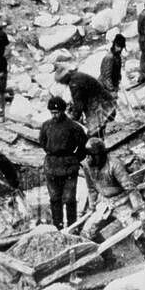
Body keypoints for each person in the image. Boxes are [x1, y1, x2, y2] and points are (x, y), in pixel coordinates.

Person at [81, 138, 145, 265]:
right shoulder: (87, 166)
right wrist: (92, 207)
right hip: (105, 203)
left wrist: (139, 210)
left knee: (136, 231)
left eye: (91, 155)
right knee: (88, 231)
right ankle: (110, 259)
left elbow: (130, 188)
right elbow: (91, 189)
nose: (88, 158)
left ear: (100, 155)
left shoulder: (114, 164)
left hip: (122, 201)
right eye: (87, 155)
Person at [39, 96, 88, 230]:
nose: (54, 115)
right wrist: (52, 154)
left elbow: (83, 146)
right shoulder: (46, 126)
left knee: (70, 199)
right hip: (51, 166)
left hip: (69, 167)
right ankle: (58, 227)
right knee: (55, 199)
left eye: (57, 112)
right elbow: (42, 143)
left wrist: (75, 158)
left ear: (63, 111)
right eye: (52, 113)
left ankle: (73, 226)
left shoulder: (74, 127)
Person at [56, 68, 117, 139]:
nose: (62, 84)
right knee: (99, 132)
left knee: (92, 135)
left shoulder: (74, 83)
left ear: (64, 79)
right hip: (107, 105)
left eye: (61, 82)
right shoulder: (77, 75)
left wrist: (73, 118)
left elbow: (79, 105)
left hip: (102, 110)